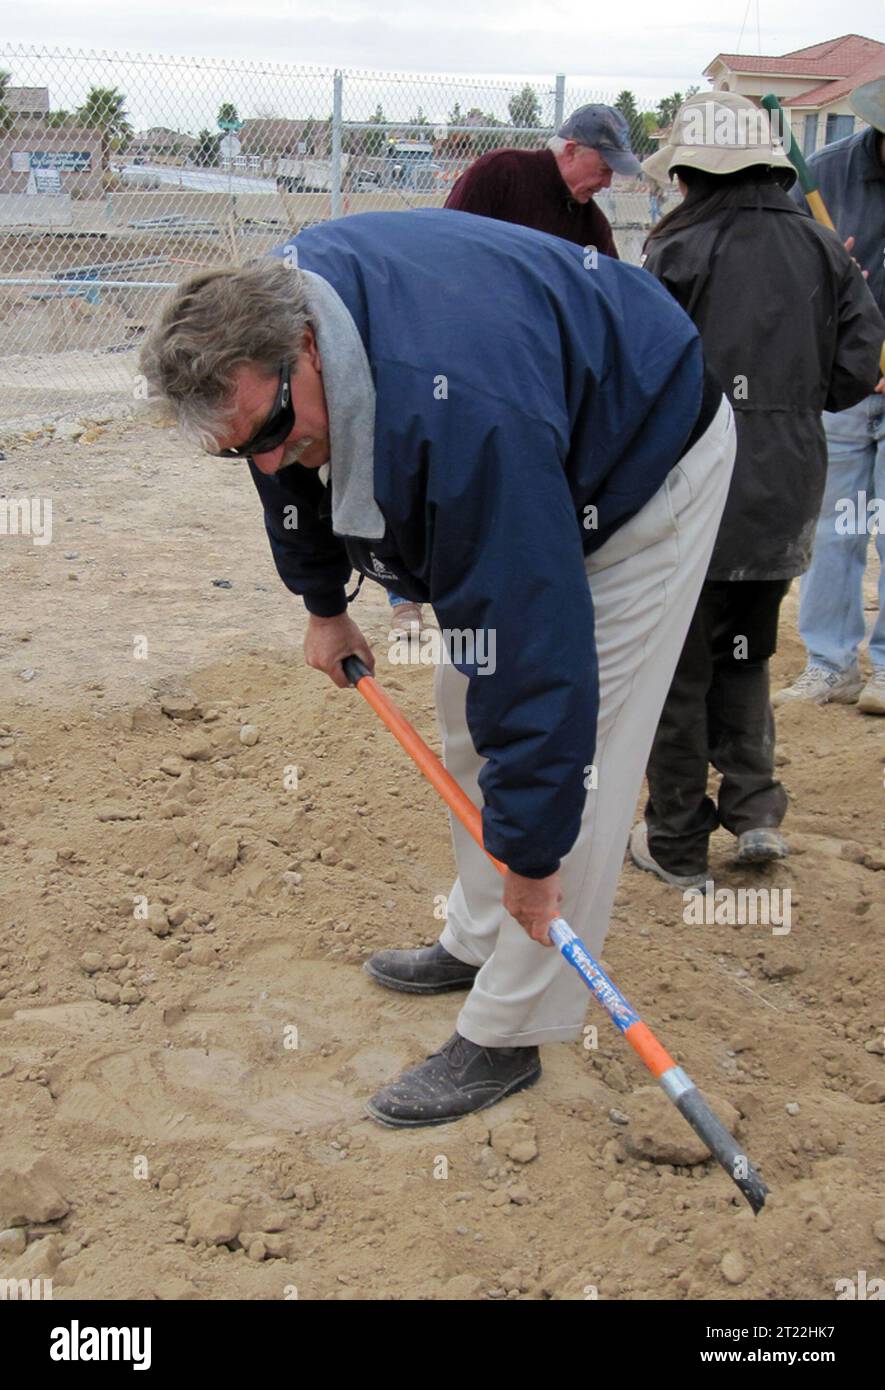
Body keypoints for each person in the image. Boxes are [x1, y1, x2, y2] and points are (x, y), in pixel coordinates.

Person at [140, 207, 735, 1127]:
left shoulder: (462, 419)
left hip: (640, 462)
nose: (269, 457)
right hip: (536, 435)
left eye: (275, 429)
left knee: (581, 754)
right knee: (466, 708)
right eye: (241, 449)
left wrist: (533, 855)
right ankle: (481, 932)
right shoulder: (268, 344)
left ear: (306, 348)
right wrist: (324, 603)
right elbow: (284, 470)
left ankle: (511, 1027)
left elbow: (536, 659)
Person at [629, 93, 883, 889]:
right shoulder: (822, 248)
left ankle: (675, 841)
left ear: (692, 173)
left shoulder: (675, 252)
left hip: (695, 486)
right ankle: (753, 812)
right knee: (745, 651)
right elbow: (855, 372)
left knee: (679, 670)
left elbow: (640, 379)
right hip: (786, 486)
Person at [775, 75, 885, 715]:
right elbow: (784, 265)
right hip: (843, 381)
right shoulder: (825, 174)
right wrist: (825, 268)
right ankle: (830, 664)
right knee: (834, 525)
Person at [444, 103, 642, 255]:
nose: (607, 183)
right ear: (571, 151)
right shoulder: (499, 173)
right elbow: (449, 244)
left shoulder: (591, 227)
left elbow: (600, 281)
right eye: (604, 169)